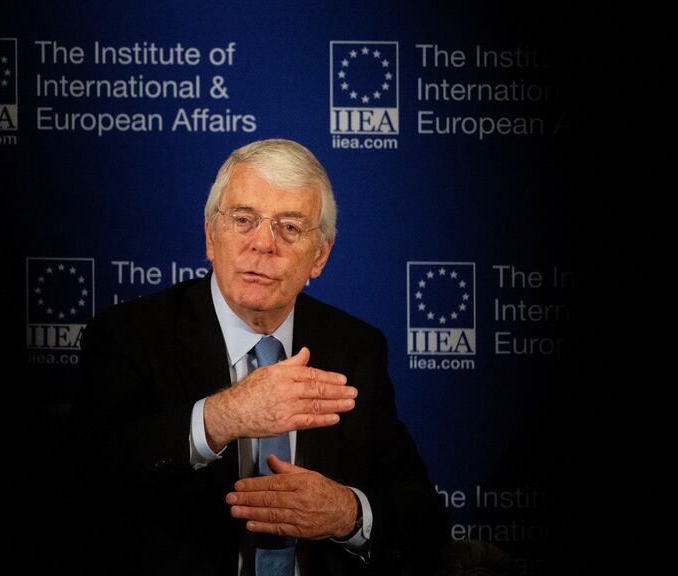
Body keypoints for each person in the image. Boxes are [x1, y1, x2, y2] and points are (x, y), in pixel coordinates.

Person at [71, 138, 449, 575]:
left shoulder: (356, 349)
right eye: (244, 220)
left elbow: (424, 518)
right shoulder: (130, 335)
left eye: (289, 227)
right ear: (212, 237)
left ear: (320, 256)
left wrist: (347, 513)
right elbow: (86, 476)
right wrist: (220, 417)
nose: (263, 244)